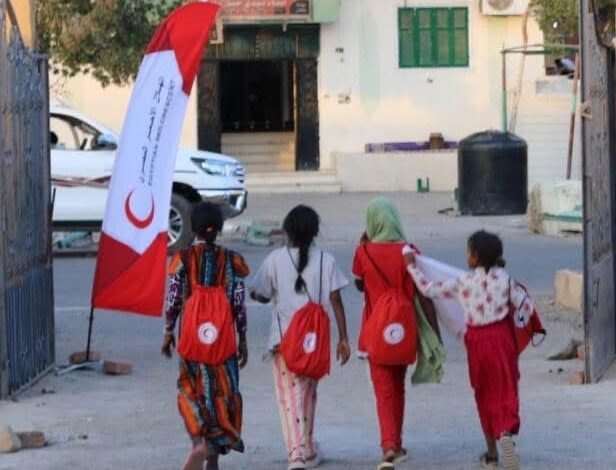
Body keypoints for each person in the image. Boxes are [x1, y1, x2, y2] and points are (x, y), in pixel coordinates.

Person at [404, 230, 532, 470]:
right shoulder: (505, 280)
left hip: (478, 342)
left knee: (484, 393)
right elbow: (526, 306)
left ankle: (492, 455)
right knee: (506, 389)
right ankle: (506, 434)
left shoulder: (463, 282)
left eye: (469, 252)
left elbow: (428, 289)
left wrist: (411, 266)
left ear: (475, 257)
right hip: (502, 340)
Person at [251, 205, 351, 470]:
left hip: (284, 342)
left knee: (288, 398)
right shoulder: (326, 260)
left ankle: (295, 454)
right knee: (307, 396)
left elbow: (260, 293)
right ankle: (307, 447)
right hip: (312, 343)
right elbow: (336, 300)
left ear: (287, 231)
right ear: (315, 232)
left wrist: (259, 295)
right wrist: (343, 339)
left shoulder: (275, 259)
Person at [161, 202, 250, 470]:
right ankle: (213, 457)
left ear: (193, 228)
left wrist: (168, 331)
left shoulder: (183, 259)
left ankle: (198, 441)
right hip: (223, 343)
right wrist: (242, 337)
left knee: (190, 391)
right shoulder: (232, 260)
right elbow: (238, 303)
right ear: (219, 228)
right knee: (221, 394)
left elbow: (173, 299)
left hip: (192, 342)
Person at [352, 197, 418, 470]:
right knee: (398, 386)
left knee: (383, 390)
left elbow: (359, 285)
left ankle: (389, 445)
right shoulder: (409, 250)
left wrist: (365, 245)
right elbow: (421, 288)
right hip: (402, 330)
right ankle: (397, 444)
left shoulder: (363, 252)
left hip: (375, 331)